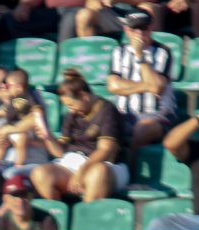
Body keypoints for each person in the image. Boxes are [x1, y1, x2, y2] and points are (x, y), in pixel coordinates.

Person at [31, 69, 127, 203]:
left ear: (83, 96)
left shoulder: (107, 110)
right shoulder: (72, 116)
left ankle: (88, 218)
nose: (71, 109)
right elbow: (60, 153)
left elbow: (105, 150)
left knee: (97, 173)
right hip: (73, 164)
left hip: (104, 166)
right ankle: (58, 217)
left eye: (71, 105)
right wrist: (48, 137)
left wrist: (82, 171)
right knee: (40, 173)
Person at [105, 10, 176, 150]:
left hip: (156, 115)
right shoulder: (118, 52)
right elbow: (113, 86)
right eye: (134, 29)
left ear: (150, 28)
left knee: (141, 130)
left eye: (143, 28)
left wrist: (140, 55)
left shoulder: (163, 52)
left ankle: (132, 169)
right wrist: (147, 85)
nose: (139, 33)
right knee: (101, 129)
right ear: (126, 30)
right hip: (124, 113)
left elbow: (156, 88)